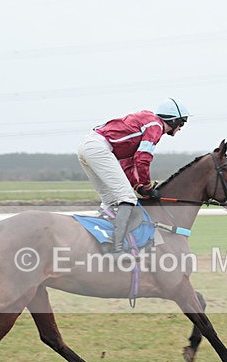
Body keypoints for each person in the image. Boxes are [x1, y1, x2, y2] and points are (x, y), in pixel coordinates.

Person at [77, 98, 190, 254]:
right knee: (127, 199)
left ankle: (102, 242)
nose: (181, 128)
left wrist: (138, 185)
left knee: (110, 201)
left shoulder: (147, 121)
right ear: (174, 120)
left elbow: (128, 164)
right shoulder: (155, 126)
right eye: (182, 124)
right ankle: (117, 249)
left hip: (88, 147)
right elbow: (143, 158)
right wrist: (148, 186)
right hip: (98, 148)